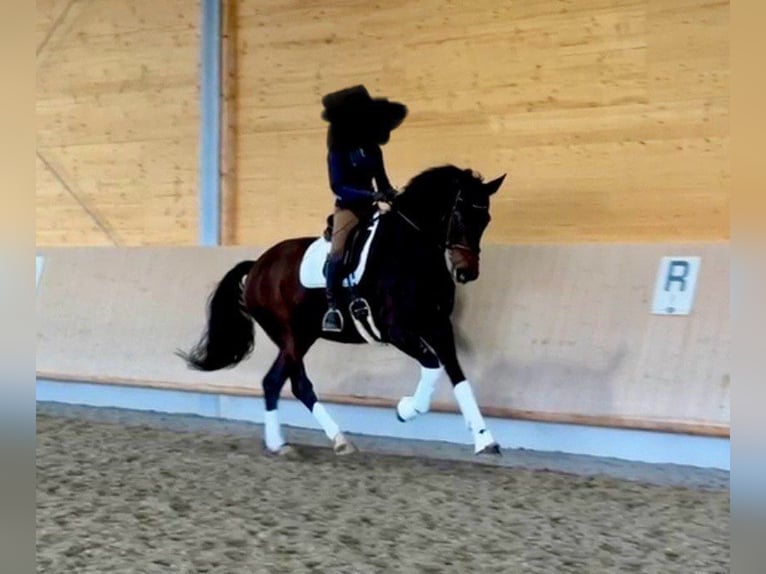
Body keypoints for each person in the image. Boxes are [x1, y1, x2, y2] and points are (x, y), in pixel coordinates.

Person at [320, 85, 407, 333]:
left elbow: (383, 181)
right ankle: (332, 307)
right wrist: (371, 195)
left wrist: (392, 194)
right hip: (349, 209)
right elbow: (338, 186)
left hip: (372, 206)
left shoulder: (372, 150)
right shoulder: (337, 153)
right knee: (338, 251)